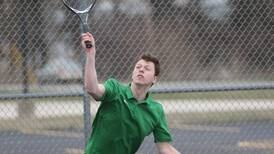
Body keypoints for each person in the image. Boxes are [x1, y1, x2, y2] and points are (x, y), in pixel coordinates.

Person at [82, 32, 180, 154]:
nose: (141, 69)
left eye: (147, 68)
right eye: (138, 67)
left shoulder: (156, 110)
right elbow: (92, 89)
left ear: (154, 79)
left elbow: (165, 148)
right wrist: (91, 55)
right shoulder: (115, 89)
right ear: (133, 73)